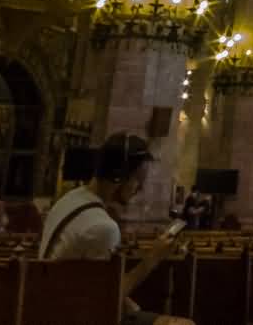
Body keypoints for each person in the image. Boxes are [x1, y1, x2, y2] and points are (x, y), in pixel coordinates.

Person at [38, 132, 192, 325]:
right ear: (119, 177)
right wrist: (152, 258)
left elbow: (88, 282)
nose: (140, 188)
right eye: (138, 179)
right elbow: (104, 300)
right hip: (71, 315)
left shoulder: (68, 199)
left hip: (49, 305)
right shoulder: (103, 228)